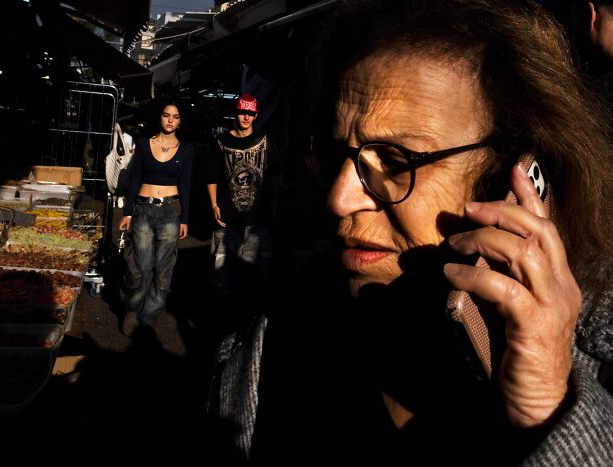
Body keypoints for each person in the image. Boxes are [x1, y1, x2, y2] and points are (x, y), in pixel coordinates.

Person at [201, 1, 613, 465]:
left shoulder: (581, 364)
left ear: (516, 180)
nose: (340, 198)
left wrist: (550, 416)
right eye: (340, 153)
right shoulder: (282, 329)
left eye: (397, 163)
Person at [119, 99, 194, 336]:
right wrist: (127, 212)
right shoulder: (143, 144)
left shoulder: (186, 149)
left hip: (171, 212)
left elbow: (186, 184)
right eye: (166, 115)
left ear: (180, 122)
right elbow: (134, 179)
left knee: (163, 268)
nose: (170, 120)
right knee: (139, 266)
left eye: (175, 117)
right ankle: (132, 309)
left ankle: (150, 315)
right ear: (160, 118)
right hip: (143, 209)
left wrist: (185, 219)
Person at [206, 93, 281, 330]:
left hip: (258, 219)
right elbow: (212, 175)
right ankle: (224, 324)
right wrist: (214, 204)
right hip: (227, 219)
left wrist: (274, 205)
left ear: (255, 115)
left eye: (250, 113)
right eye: (242, 112)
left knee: (255, 274)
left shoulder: (266, 140)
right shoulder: (220, 141)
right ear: (236, 113)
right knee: (223, 275)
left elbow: (275, 175)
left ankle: (251, 325)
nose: (246, 117)